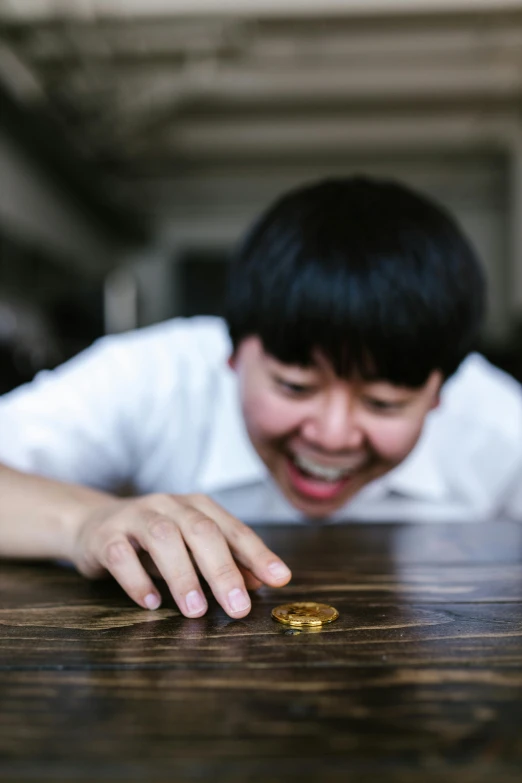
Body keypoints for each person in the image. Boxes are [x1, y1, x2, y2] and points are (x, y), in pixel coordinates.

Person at [0, 177, 521, 621]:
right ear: (232, 355)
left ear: (440, 393)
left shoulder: (499, 421)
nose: (333, 436)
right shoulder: (152, 375)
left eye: (383, 403)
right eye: (295, 387)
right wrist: (85, 522)